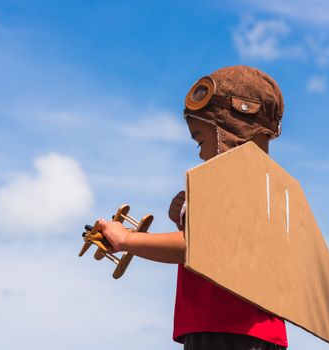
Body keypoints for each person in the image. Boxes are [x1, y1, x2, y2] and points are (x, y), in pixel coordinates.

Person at [96, 65, 288, 350]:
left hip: (232, 330)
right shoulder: (265, 185)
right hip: (231, 329)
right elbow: (219, 247)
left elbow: (199, 247)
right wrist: (187, 224)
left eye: (201, 138)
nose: (199, 152)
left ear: (229, 130)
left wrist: (125, 239)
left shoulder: (241, 180)